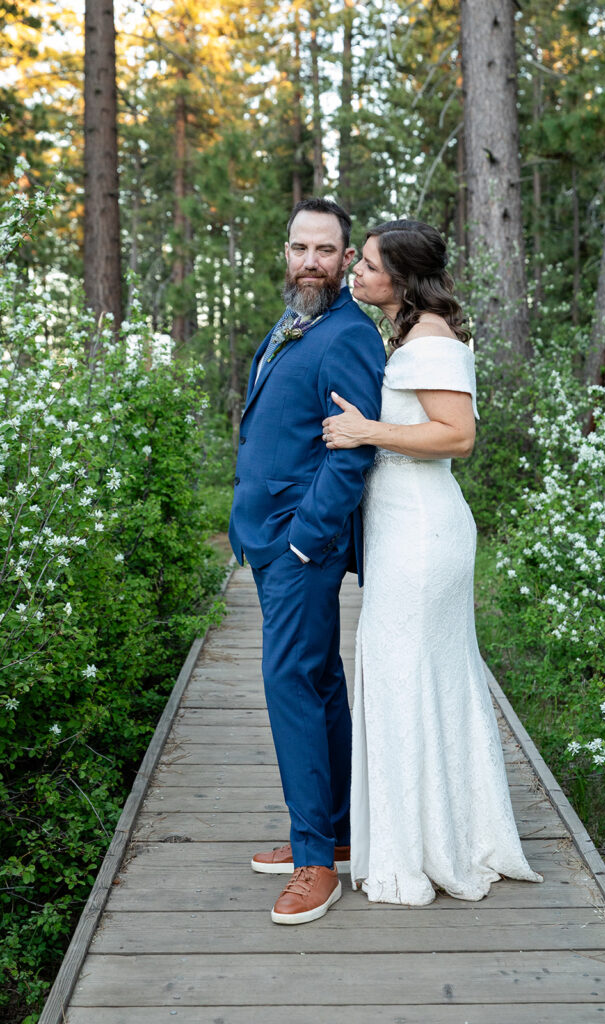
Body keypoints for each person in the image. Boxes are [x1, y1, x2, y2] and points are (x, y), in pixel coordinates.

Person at [322, 219, 543, 905]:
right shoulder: (412, 335)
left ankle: (427, 847)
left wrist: (365, 430)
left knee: (407, 677)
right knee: (411, 677)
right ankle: (426, 830)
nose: (355, 272)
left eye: (367, 265)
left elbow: (458, 435)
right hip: (400, 528)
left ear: (402, 279)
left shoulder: (433, 341)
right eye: (355, 262)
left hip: (422, 532)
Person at [228, 198, 386, 924]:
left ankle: (314, 860)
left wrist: (303, 537)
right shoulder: (295, 320)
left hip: (301, 543)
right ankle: (338, 833)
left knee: (291, 683)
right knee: (318, 682)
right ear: (285, 250)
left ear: (347, 258)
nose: (310, 262)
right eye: (300, 248)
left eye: (326, 250)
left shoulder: (350, 335)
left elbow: (350, 454)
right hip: (266, 534)